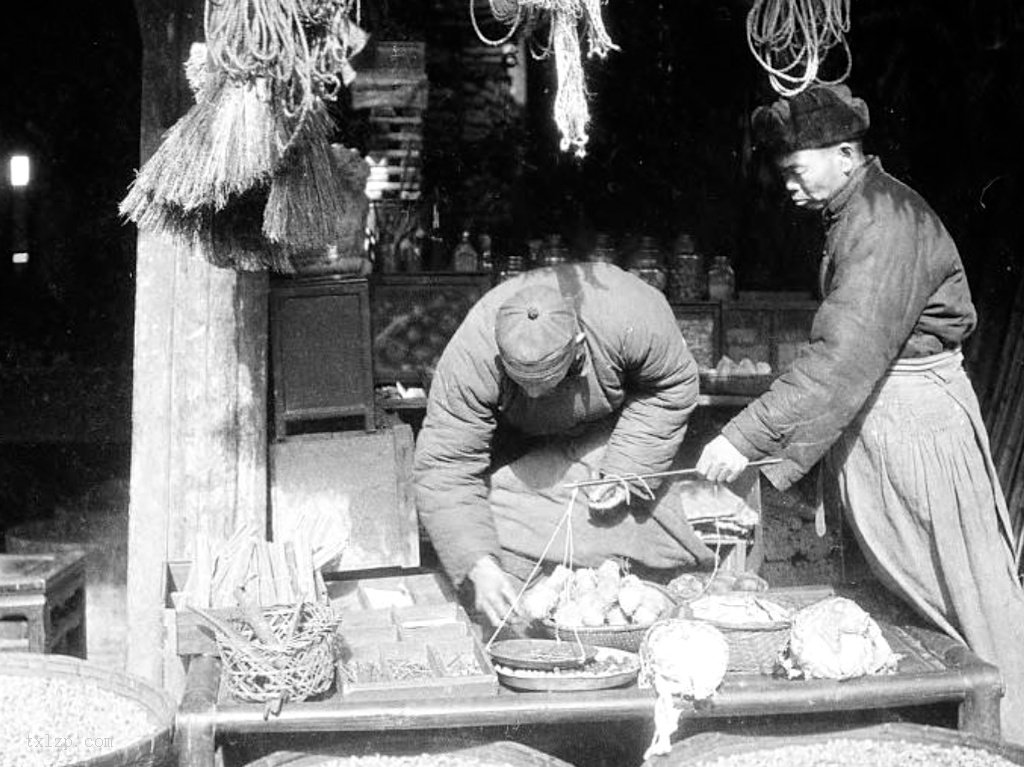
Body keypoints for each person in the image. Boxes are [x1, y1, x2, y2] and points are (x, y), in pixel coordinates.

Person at [697, 83, 1024, 743]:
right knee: (917, 595)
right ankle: (947, 734)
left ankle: (1008, 735)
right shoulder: (856, 210)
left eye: (797, 169)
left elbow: (840, 358)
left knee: (969, 598)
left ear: (846, 154)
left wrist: (744, 435)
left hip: (920, 431)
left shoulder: (882, 223)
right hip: (894, 420)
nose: (787, 184)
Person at [414, 262, 712, 628]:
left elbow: (672, 385)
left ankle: (664, 579)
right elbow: (445, 464)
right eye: (524, 382)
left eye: (547, 381)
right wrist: (477, 562)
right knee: (495, 536)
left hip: (616, 424)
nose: (536, 393)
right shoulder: (472, 355)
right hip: (520, 438)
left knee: (645, 521)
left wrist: (625, 469)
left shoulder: (629, 313)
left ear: (579, 345)